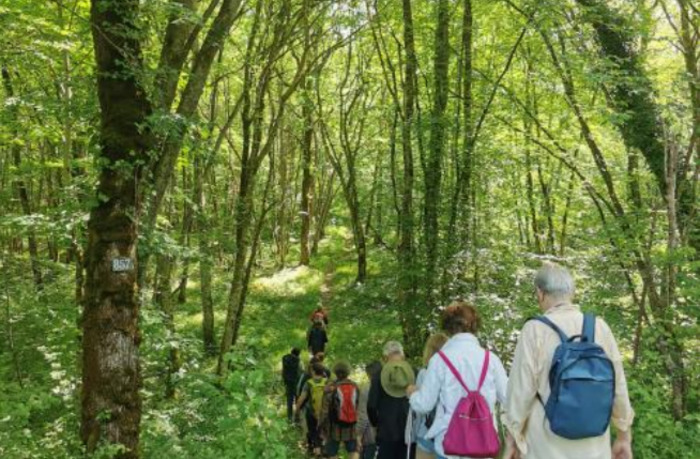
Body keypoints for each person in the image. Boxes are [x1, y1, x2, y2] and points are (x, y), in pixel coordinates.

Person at [502, 263, 634, 459]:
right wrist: (624, 436)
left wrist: (513, 440)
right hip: (594, 449)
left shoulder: (534, 330)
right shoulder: (600, 327)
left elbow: (520, 392)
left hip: (545, 448)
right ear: (572, 292)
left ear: (540, 293)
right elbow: (618, 386)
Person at [407, 302, 508, 459]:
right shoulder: (491, 359)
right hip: (484, 443)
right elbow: (509, 399)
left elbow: (424, 405)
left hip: (449, 444)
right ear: (475, 326)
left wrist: (412, 394)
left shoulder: (439, 360)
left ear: (447, 327)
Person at [368, 341, 416, 459]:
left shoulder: (378, 376)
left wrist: (376, 423)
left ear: (385, 357)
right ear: (403, 355)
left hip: (386, 431)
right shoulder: (414, 372)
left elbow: (371, 406)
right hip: (410, 430)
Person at [407, 334, 448, 459]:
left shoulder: (424, 373)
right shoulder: (454, 375)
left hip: (426, 433)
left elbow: (420, 407)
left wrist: (412, 394)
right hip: (447, 435)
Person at [320, 360, 360, 459]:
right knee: (353, 451)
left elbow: (324, 410)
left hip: (334, 427)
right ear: (348, 372)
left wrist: (321, 425)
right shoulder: (355, 386)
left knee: (332, 453)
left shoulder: (331, 388)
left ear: (335, 373)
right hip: (351, 426)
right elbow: (360, 407)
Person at [297, 362, 329, 457]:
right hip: (325, 412)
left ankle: (317, 450)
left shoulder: (309, 383)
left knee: (312, 430)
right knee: (324, 430)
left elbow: (302, 398)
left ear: (314, 371)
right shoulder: (327, 382)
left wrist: (297, 410)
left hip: (311, 412)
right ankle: (325, 449)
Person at [358, 361, 382, 459]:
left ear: (369, 374)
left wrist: (358, 435)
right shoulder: (389, 387)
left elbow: (363, 416)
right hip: (388, 433)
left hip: (370, 434)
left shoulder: (367, 389)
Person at [282, 347, 302, 423]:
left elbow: (284, 371)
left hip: (288, 382)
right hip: (295, 383)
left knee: (289, 401)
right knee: (297, 400)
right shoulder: (297, 360)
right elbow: (298, 373)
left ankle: (289, 418)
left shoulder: (284, 358)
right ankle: (297, 418)